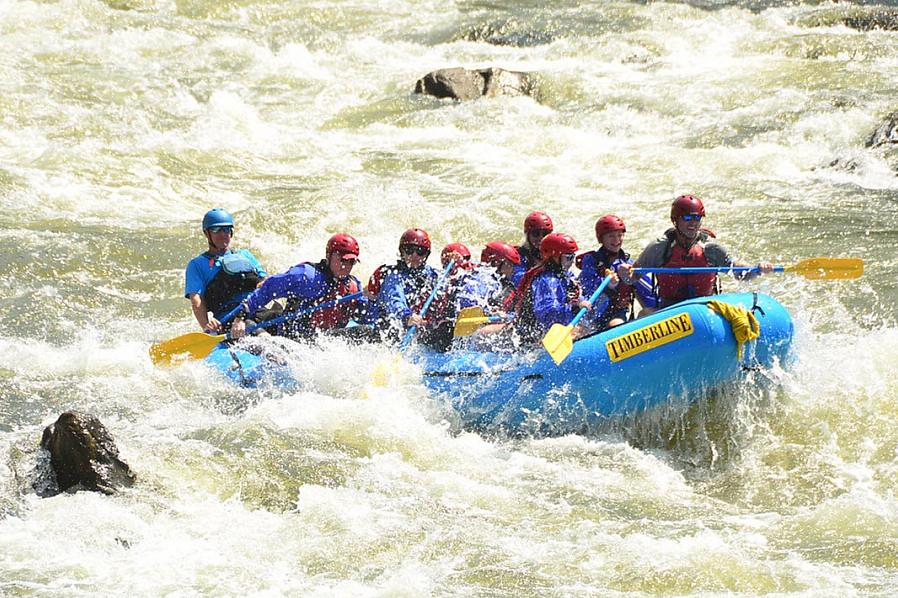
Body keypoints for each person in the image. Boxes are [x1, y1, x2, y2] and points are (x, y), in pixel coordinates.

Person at [620, 195, 774, 310]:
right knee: (645, 314)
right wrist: (626, 273)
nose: (693, 222)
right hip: (669, 311)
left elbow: (738, 271)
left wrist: (757, 269)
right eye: (687, 217)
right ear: (675, 220)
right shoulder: (659, 247)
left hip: (705, 308)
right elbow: (633, 277)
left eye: (697, 217)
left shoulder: (710, 248)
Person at [229, 233, 372, 341]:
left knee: (366, 332)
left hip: (323, 343)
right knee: (363, 332)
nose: (345, 266)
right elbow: (268, 289)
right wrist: (240, 317)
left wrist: (373, 299)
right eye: (342, 260)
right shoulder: (306, 276)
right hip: (292, 338)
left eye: (351, 262)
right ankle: (252, 326)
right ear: (329, 256)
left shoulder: (353, 287)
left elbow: (369, 316)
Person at [184, 208, 267, 332]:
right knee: (250, 325)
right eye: (216, 230)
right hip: (228, 318)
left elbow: (264, 281)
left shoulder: (245, 255)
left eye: (227, 229)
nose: (223, 234)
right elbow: (197, 301)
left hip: (256, 310)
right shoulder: (197, 265)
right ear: (207, 233)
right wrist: (208, 328)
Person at [578, 215, 657, 331]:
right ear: (601, 239)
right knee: (577, 332)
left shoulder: (628, 264)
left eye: (620, 235)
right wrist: (607, 285)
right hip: (593, 315)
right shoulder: (591, 261)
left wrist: (632, 278)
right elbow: (586, 288)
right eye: (611, 236)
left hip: (616, 315)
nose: (616, 240)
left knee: (647, 313)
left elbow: (649, 297)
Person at [513, 232, 591, 346]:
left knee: (584, 329)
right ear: (554, 256)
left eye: (573, 256)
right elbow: (547, 314)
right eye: (569, 257)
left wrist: (579, 301)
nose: (572, 261)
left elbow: (577, 297)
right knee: (581, 331)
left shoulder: (565, 275)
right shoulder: (548, 280)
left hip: (549, 330)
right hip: (533, 338)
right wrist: (574, 306)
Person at [373, 228, 440, 346]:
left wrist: (458, 265)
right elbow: (394, 301)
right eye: (409, 250)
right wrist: (406, 316)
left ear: (426, 254)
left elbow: (450, 283)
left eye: (420, 251)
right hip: (391, 330)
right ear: (402, 252)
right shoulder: (393, 276)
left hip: (416, 329)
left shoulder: (432, 275)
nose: (414, 255)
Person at [456, 241, 521, 315]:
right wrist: (489, 312)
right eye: (510, 264)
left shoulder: (502, 282)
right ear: (496, 263)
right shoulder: (484, 279)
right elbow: (467, 303)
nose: (513, 269)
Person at [511, 211, 554, 286]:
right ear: (527, 235)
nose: (541, 238)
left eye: (545, 234)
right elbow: (518, 279)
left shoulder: (555, 254)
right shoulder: (519, 255)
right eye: (536, 233)